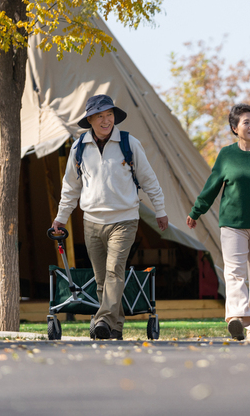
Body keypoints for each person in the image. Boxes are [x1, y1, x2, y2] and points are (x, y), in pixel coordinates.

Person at [51, 94, 168, 340]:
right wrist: (61, 218)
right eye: (100, 116)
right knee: (103, 280)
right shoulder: (79, 147)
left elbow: (148, 179)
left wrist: (161, 210)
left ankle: (101, 319)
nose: (106, 120)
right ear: (90, 119)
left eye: (110, 115)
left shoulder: (129, 143)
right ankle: (115, 328)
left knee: (115, 271)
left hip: (124, 220)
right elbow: (70, 187)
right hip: (91, 221)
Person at [187, 104, 250, 342]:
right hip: (232, 224)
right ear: (234, 128)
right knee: (234, 272)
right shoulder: (227, 155)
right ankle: (238, 318)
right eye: (246, 122)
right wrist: (196, 211)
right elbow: (212, 186)